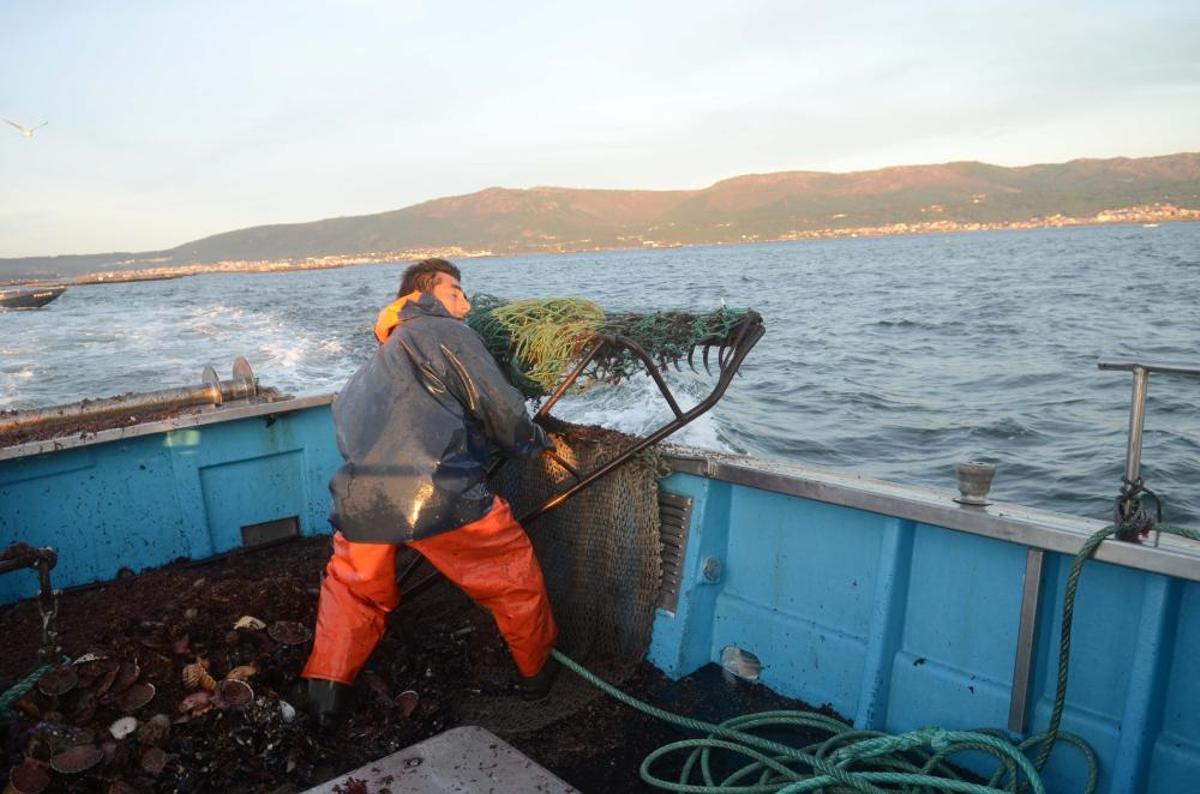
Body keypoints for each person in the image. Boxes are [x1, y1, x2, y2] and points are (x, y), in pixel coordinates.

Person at [295, 258, 559, 723]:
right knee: (513, 579)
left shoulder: (377, 360)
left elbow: (348, 428)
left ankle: (323, 698)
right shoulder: (448, 332)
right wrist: (531, 441)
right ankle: (537, 678)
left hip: (361, 502)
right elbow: (501, 407)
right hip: (441, 496)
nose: (468, 303)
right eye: (456, 291)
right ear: (428, 293)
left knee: (354, 591)